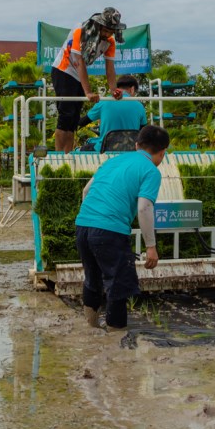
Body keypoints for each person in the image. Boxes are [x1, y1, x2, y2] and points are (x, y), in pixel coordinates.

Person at [74, 124, 169, 329]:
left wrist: (92, 218)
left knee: (92, 278)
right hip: (109, 231)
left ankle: (90, 328)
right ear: (162, 153)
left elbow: (85, 191)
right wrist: (151, 247)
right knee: (118, 285)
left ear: (137, 145)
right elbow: (144, 207)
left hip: (83, 225)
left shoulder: (113, 161)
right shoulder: (150, 171)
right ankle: (116, 344)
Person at [51, 7, 121, 152]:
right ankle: (58, 157)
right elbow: (78, 61)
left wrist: (114, 90)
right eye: (106, 30)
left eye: (111, 31)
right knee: (66, 114)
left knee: (74, 119)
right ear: (99, 25)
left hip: (78, 76)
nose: (108, 34)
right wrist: (88, 92)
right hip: (63, 70)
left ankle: (68, 156)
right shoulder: (80, 31)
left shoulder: (110, 42)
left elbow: (110, 68)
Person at [83, 75, 148, 152]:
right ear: (132, 89)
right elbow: (143, 131)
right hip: (130, 150)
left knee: (82, 149)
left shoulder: (104, 101)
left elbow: (83, 121)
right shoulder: (139, 106)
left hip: (104, 149)